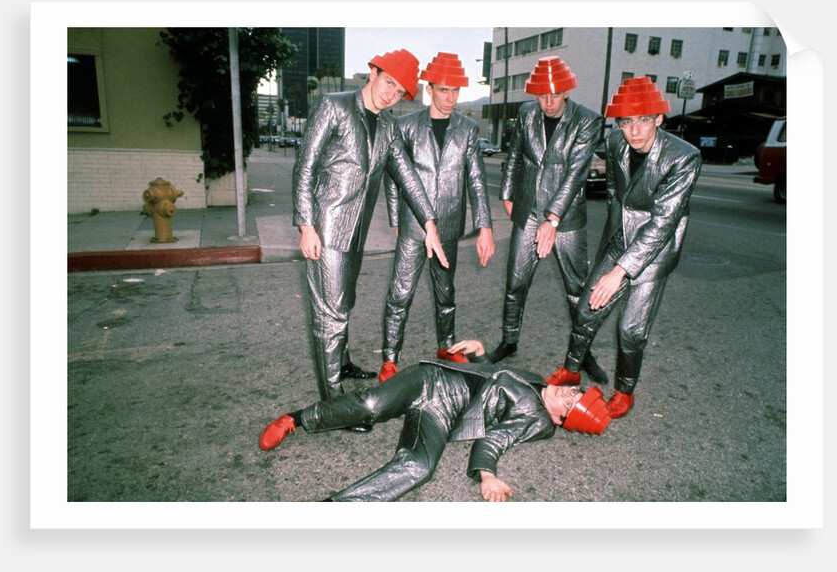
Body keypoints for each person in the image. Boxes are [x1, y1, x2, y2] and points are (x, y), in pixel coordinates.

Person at [292, 49, 450, 418]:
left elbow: (408, 176)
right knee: (330, 317)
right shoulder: (332, 106)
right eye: (389, 82)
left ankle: (341, 364)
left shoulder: (389, 127)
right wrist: (306, 225)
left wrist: (429, 224)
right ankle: (333, 407)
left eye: (399, 92)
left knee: (344, 302)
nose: (391, 94)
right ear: (373, 72)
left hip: (356, 232)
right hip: (326, 229)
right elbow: (305, 168)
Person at [258, 339, 611, 502]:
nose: (569, 393)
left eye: (573, 401)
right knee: (370, 405)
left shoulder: (538, 421)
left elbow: (494, 440)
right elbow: (493, 378)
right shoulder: (538, 379)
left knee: (419, 466)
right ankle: (297, 418)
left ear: (561, 420)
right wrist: (480, 353)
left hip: (442, 411)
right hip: (431, 379)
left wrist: (487, 475)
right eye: (575, 392)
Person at [546, 76, 702, 419]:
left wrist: (619, 272)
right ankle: (572, 369)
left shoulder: (684, 158)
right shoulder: (616, 143)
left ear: (659, 118)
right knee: (588, 307)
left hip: (656, 248)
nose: (635, 131)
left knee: (630, 329)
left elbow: (662, 223)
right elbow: (617, 192)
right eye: (628, 121)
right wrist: (614, 243)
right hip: (622, 237)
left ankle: (625, 390)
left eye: (644, 120)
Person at [490, 56, 607, 384]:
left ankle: (584, 353)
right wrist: (507, 195)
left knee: (577, 289)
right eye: (542, 95)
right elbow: (514, 155)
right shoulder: (527, 113)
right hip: (527, 211)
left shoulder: (588, 121)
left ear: (567, 92)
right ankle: (509, 340)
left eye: (555, 95)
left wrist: (552, 219)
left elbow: (575, 173)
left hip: (566, 219)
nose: (549, 102)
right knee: (515, 282)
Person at [379, 52, 495, 383]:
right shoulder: (406, 126)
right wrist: (396, 216)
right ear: (429, 89)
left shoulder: (468, 129)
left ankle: (446, 345)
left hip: (448, 227)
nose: (450, 98)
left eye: (456, 91)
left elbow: (476, 180)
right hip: (414, 226)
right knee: (400, 293)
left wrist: (484, 226)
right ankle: (389, 358)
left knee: (446, 293)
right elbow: (394, 176)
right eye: (444, 90)